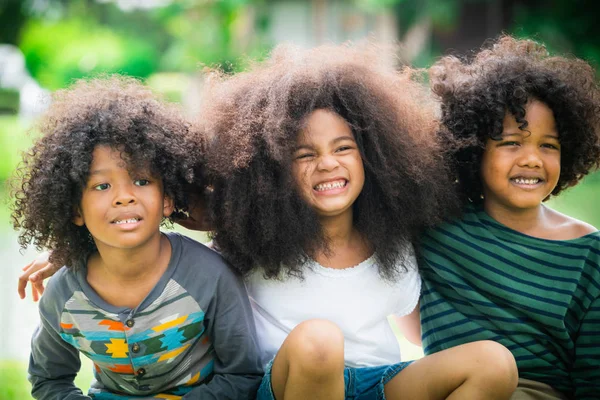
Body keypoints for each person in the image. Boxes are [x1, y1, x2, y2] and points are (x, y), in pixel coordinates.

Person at [200, 43, 517, 399]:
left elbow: (418, 334)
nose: (328, 164)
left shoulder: (395, 242)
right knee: (320, 341)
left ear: (375, 156)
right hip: (290, 383)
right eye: (305, 155)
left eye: (343, 148)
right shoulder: (252, 243)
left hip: (376, 381)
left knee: (494, 361)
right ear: (272, 171)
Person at [11, 76, 262, 399]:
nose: (124, 197)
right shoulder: (64, 294)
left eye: (141, 181)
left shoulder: (210, 277)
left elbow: (242, 374)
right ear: (75, 210)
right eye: (102, 186)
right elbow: (50, 381)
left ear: (168, 199)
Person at [419, 35, 600, 399]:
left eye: (548, 145)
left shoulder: (587, 254)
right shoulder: (437, 228)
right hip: (450, 387)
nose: (532, 158)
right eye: (511, 142)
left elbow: (592, 377)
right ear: (473, 148)